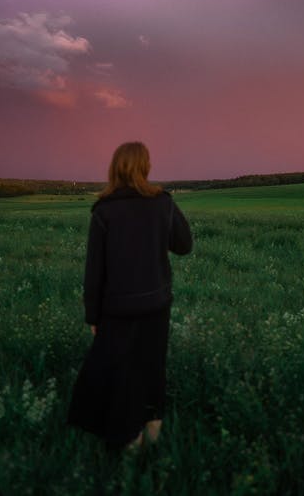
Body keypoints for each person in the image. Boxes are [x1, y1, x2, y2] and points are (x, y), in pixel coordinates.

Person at [67, 141, 192, 450]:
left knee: (121, 376)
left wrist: (92, 316)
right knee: (152, 368)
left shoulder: (104, 210)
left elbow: (94, 271)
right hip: (157, 306)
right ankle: (153, 440)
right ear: (145, 167)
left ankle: (130, 450)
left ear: (115, 168)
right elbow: (184, 245)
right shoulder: (163, 202)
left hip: (117, 310)